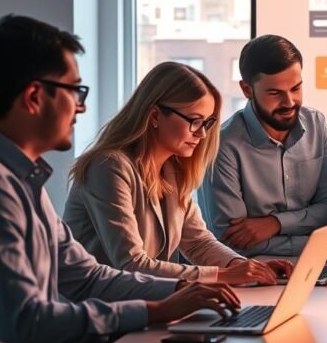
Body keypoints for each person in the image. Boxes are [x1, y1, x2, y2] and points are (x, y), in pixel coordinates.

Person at [0, 16, 239, 343]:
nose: (81, 108)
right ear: (34, 97)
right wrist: (153, 310)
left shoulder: (19, 179)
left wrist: (181, 290)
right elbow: (27, 325)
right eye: (75, 92)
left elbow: (87, 277)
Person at [65, 61, 292, 285]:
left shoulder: (173, 169)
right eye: (194, 121)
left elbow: (198, 242)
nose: (202, 134)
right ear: (154, 116)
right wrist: (223, 275)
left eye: (207, 122)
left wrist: (243, 267)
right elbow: (132, 264)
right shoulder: (108, 167)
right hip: (94, 310)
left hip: (142, 304)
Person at [199, 35, 327, 256]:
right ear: (247, 90)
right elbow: (230, 240)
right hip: (249, 273)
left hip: (314, 266)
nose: (290, 102)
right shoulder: (222, 146)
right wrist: (311, 244)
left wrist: (275, 223)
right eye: (275, 93)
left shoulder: (316, 124)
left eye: (296, 88)